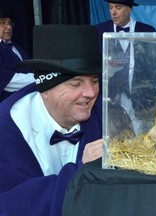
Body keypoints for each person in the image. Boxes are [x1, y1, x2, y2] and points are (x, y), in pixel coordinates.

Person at [0, 25, 102, 216]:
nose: (91, 92)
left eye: (95, 81)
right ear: (45, 89)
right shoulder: (5, 132)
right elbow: (11, 205)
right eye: (75, 83)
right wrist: (82, 174)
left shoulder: (107, 118)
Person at [96, 0, 156, 137]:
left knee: (142, 135)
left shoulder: (148, 31)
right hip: (111, 98)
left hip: (141, 96)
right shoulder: (98, 31)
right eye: (110, 7)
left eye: (118, 7)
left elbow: (155, 67)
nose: (113, 12)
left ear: (130, 9)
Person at [0, 11, 35, 102]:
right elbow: (5, 79)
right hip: (8, 104)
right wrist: (39, 78)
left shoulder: (17, 47)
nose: (9, 27)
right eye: (3, 23)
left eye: (10, 23)